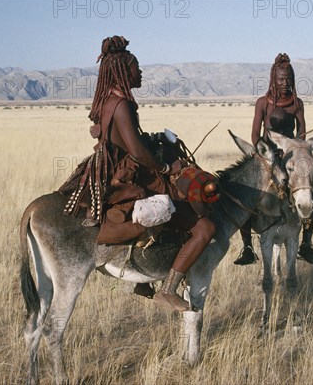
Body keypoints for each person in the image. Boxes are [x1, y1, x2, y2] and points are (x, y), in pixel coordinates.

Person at [64, 36, 215, 312]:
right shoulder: (120, 104)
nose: (140, 72)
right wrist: (168, 167)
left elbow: (128, 140)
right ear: (123, 70)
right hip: (132, 174)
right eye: (136, 67)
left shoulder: (109, 101)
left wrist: (154, 139)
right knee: (203, 225)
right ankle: (167, 289)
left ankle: (145, 278)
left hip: (116, 169)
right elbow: (135, 150)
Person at [233, 53, 313, 266]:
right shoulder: (263, 103)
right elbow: (255, 133)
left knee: (311, 191)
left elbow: (301, 132)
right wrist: (267, 153)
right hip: (267, 155)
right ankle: (247, 247)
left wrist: (293, 150)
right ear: (274, 79)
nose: (285, 83)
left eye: (289, 79)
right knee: (247, 194)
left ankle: (306, 244)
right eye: (281, 79)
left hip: (291, 154)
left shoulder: (297, 104)